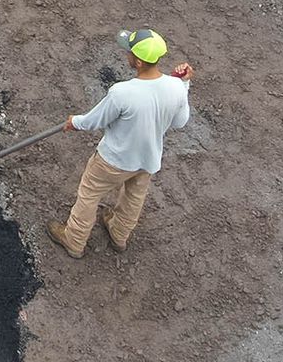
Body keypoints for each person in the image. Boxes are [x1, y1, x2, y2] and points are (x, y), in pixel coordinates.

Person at [47, 28, 193, 259]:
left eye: (129, 52)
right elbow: (180, 122)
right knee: (133, 198)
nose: (126, 54)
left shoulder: (122, 92)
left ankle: (74, 240)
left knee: (89, 194)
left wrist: (74, 122)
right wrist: (183, 85)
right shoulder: (175, 87)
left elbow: (95, 120)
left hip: (113, 160)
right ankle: (119, 234)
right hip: (147, 160)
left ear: (137, 61)